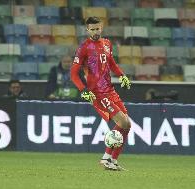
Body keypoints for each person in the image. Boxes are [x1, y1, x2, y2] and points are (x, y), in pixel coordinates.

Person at [70, 16, 131, 171]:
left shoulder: (107, 43)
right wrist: (83, 90)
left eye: (98, 28)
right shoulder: (84, 48)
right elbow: (73, 74)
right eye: (93, 29)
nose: (96, 31)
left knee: (127, 125)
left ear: (101, 27)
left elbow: (111, 62)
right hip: (98, 93)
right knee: (122, 123)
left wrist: (122, 75)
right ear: (87, 30)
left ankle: (112, 161)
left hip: (110, 90)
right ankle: (106, 157)